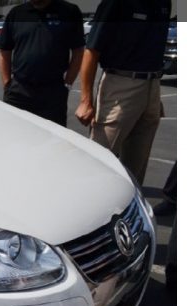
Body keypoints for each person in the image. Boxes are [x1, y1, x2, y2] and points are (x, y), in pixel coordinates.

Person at [75, 0, 171, 185]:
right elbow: (92, 50)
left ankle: (128, 210)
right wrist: (86, 100)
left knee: (137, 164)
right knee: (100, 157)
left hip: (152, 84)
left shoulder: (163, 3)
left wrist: (153, 93)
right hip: (121, 84)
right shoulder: (115, 3)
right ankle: (87, 204)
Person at [0, 0, 85, 126]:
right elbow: (4, 50)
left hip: (53, 93)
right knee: (14, 136)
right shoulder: (16, 13)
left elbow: (78, 51)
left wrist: (67, 84)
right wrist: (7, 85)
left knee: (53, 139)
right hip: (18, 92)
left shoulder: (69, 12)